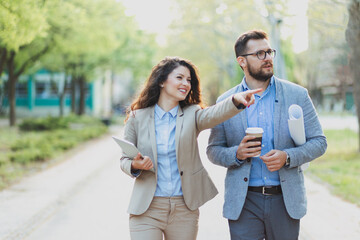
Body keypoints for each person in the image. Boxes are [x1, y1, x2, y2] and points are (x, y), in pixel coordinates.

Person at [120, 56, 261, 240]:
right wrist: (135, 166)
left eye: (189, 80)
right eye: (179, 78)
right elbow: (124, 160)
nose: (186, 83)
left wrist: (236, 100)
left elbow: (214, 114)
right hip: (147, 209)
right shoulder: (137, 117)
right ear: (162, 81)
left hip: (183, 209)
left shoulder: (192, 114)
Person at [206, 30, 327, 240]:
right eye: (260, 54)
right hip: (244, 202)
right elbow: (213, 150)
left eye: (269, 52)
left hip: (284, 199)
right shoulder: (226, 101)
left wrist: (287, 157)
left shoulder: (297, 94)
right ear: (242, 61)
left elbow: (319, 142)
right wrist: (238, 153)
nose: (268, 58)